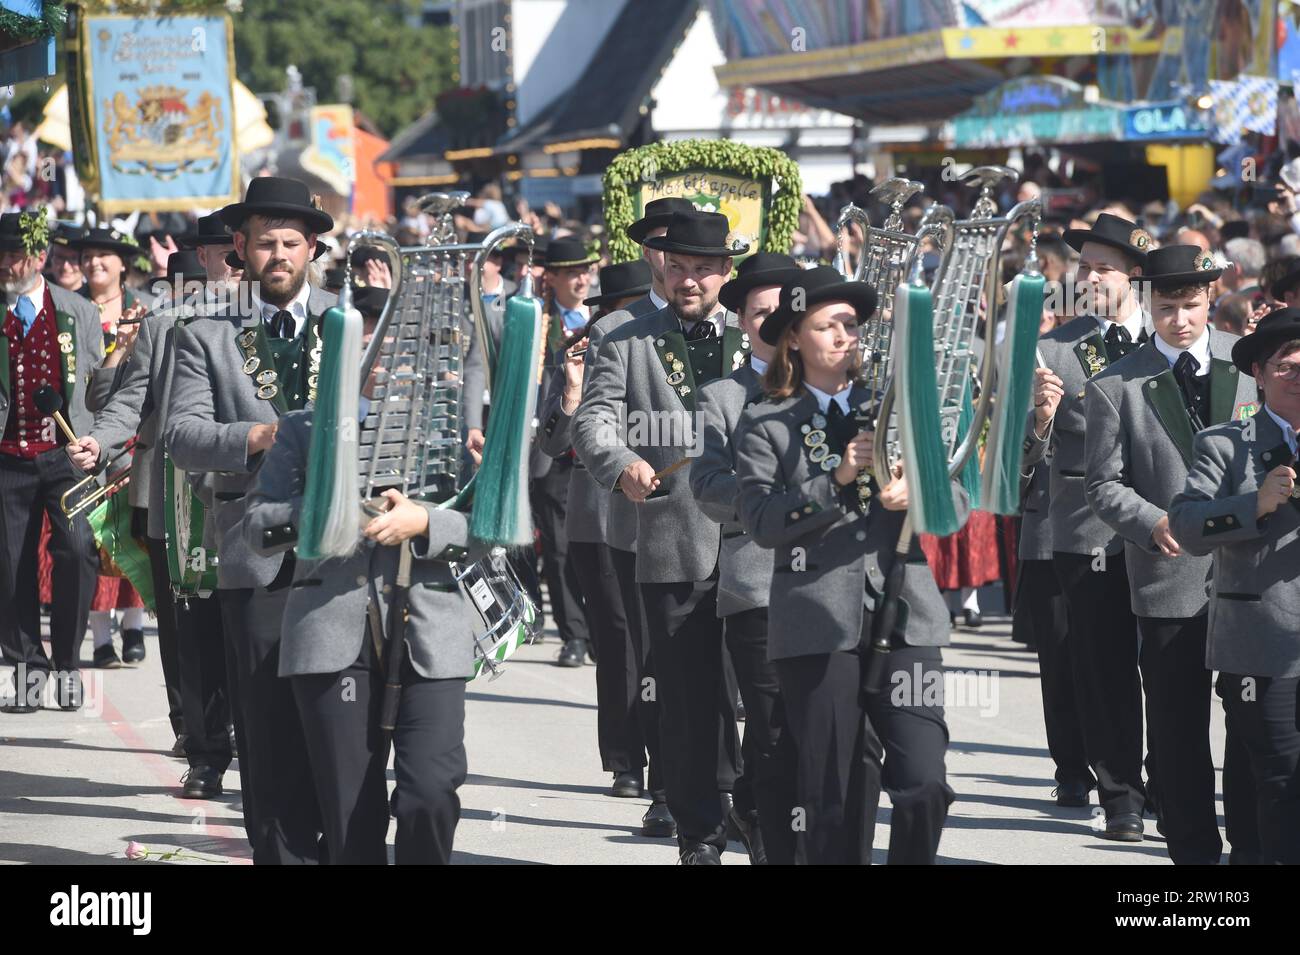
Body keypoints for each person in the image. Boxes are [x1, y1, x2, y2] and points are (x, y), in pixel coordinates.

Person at [244, 291, 483, 865]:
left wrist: (426, 521)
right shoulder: (303, 429)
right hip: (332, 636)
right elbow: (256, 529)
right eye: (367, 349)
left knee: (430, 789)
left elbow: (496, 527)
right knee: (352, 814)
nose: (384, 363)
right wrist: (329, 512)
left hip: (432, 632)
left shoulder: (449, 432)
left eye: (397, 350)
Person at [734, 265, 958, 864]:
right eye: (827, 325)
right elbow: (760, 522)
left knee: (924, 781)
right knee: (832, 791)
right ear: (794, 339)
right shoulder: (764, 420)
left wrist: (924, 488)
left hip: (907, 614)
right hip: (815, 623)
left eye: (851, 325)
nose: (843, 336)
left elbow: (957, 503)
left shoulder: (896, 405)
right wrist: (835, 481)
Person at [165, 177, 337, 862]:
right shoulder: (204, 334)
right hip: (254, 552)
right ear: (238, 247)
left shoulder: (351, 322)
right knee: (265, 729)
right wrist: (256, 437)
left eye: (290, 242)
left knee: (336, 726)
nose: (277, 253)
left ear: (313, 248)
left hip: (341, 551)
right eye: (264, 241)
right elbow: (180, 435)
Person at [573, 210, 751, 863]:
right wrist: (621, 464)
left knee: (761, 693)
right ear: (662, 267)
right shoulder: (623, 338)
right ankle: (698, 829)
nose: (689, 279)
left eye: (702, 268)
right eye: (677, 266)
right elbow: (594, 422)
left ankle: (751, 805)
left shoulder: (759, 336)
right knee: (685, 696)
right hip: (674, 540)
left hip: (757, 544)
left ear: (724, 272)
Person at [1085, 244, 1260, 864]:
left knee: (1251, 722)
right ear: (1146, 305)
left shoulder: (1247, 369)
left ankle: (1251, 841)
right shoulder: (1115, 385)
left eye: (1190, 306)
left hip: (1247, 577)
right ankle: (1190, 852)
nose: (1179, 320)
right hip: (1164, 575)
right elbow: (1102, 483)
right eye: (1166, 308)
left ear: (1210, 301)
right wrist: (1151, 518)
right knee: (1176, 724)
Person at [67, 250, 233, 796]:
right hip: (178, 503)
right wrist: (99, 439)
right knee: (190, 631)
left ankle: (259, 747)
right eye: (228, 259)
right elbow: (127, 402)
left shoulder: (294, 322)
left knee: (254, 636)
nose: (233, 272)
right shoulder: (165, 327)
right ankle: (204, 748)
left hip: (259, 506)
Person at [1026, 212, 1152, 841]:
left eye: (1101, 268)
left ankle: (1170, 778)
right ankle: (1120, 793)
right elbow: (1019, 458)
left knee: (1168, 669)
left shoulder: (1172, 338)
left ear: (1135, 275)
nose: (1088, 277)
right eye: (1083, 267)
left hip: (1170, 533)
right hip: (1086, 529)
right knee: (1100, 665)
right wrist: (1041, 420)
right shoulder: (1055, 347)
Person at [1169, 306, 1300, 865]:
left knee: (1272, 784)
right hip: (1261, 642)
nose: (1299, 376)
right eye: (1288, 366)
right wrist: (1255, 505)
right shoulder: (1227, 444)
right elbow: (1186, 525)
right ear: (1261, 373)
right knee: (1282, 776)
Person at [690, 252, 806, 864]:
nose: (776, 321)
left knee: (811, 729)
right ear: (740, 321)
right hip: (757, 583)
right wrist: (770, 502)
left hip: (831, 583)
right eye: (761, 311)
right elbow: (706, 487)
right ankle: (771, 841)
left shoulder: (834, 384)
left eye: (788, 308)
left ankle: (757, 808)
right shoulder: (721, 397)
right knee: (769, 726)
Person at [539, 260, 656, 801]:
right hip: (599, 518)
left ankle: (674, 766)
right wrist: (571, 391)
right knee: (616, 642)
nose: (630, 317)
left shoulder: (666, 347)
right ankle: (626, 759)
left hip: (664, 517)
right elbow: (550, 442)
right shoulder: (580, 354)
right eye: (620, 309)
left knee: (664, 643)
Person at [0, 209, 103, 712]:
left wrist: (100, 442)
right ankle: (27, 673)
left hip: (65, 454)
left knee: (79, 549)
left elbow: (99, 387)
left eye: (13, 254)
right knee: (9, 563)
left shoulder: (77, 311)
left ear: (39, 257)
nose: (3, 263)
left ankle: (66, 664)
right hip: (6, 459)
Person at [537, 237, 598, 666]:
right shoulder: (534, 319)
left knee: (599, 548)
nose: (581, 278)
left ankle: (597, 628)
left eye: (586, 269)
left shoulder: (603, 315)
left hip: (598, 447)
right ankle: (573, 633)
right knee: (558, 547)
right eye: (572, 271)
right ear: (551, 277)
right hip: (554, 443)